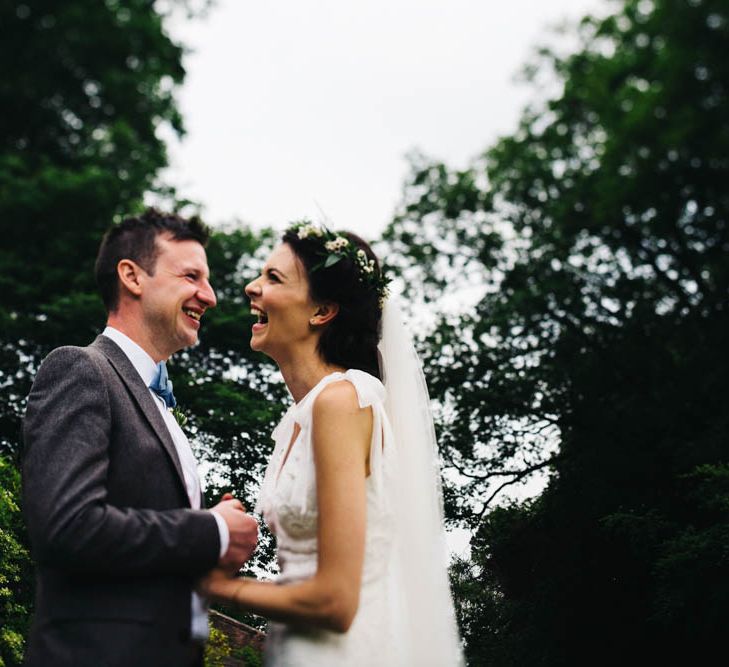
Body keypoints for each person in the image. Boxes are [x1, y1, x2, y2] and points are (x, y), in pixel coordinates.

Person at [198, 222, 463, 665]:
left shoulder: (343, 400)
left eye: (273, 278)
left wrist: (217, 587)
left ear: (321, 312)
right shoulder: (296, 419)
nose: (251, 287)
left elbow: (336, 603)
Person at [22, 209, 259, 667]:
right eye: (192, 275)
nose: (208, 296)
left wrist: (212, 548)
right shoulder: (81, 369)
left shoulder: (159, 402)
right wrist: (211, 529)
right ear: (132, 276)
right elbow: (67, 528)